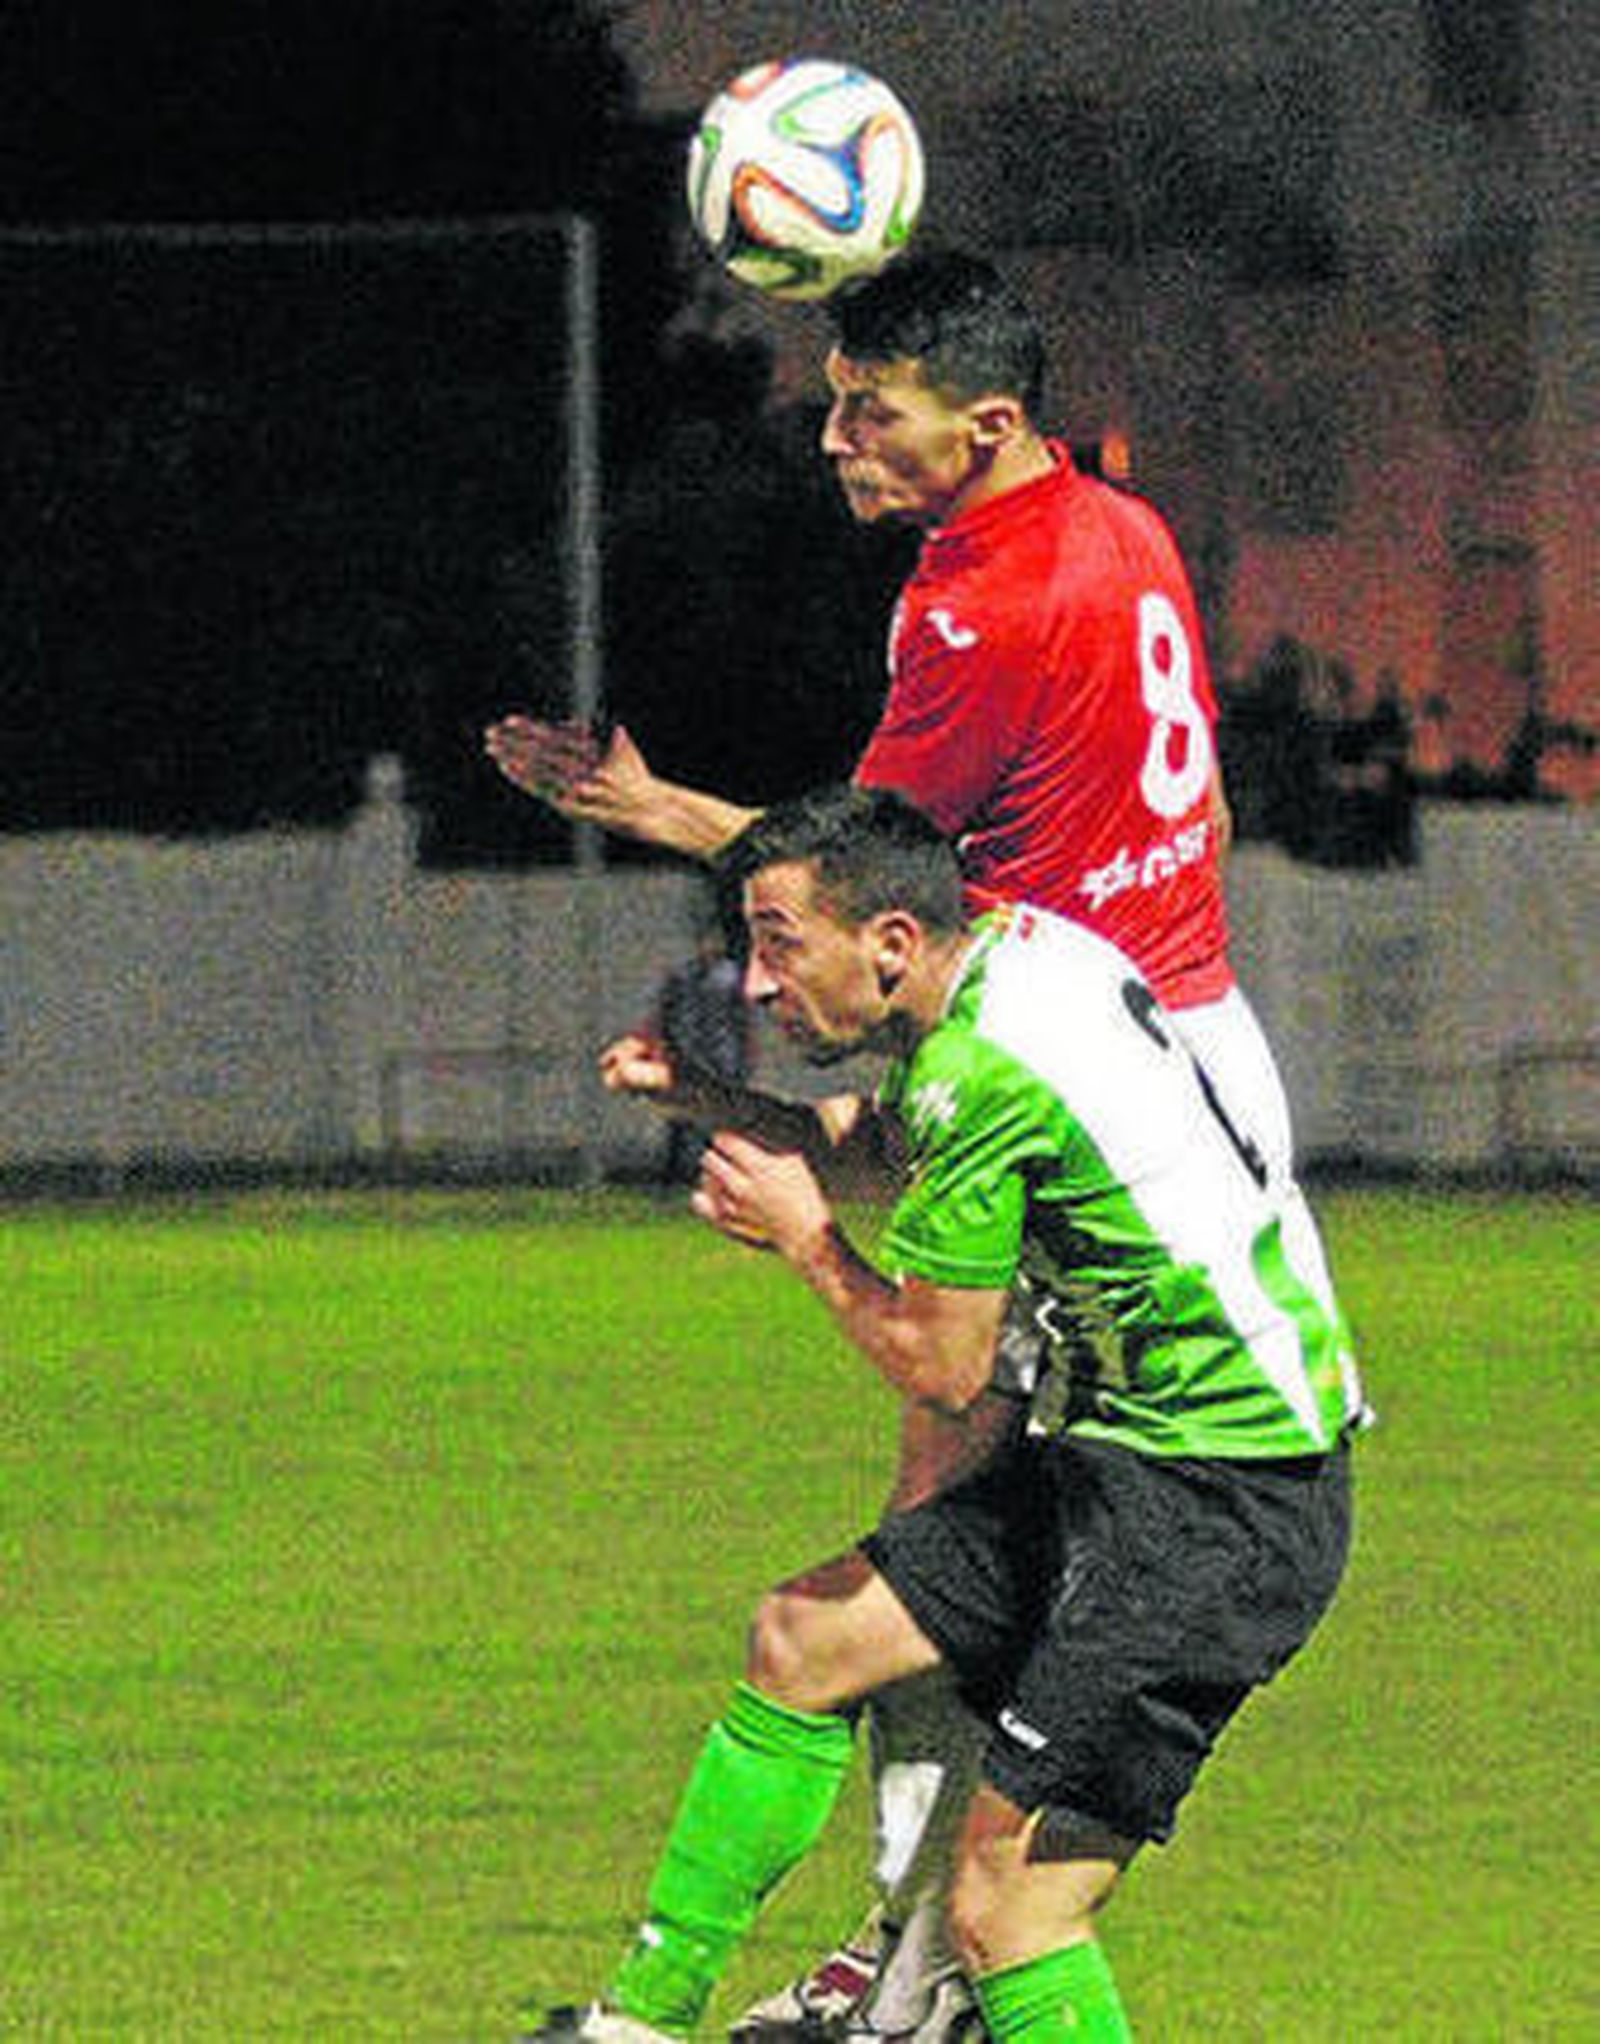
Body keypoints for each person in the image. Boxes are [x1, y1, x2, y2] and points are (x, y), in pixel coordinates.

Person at [487, 248, 1297, 2041]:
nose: (836, 434)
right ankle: (900, 1956)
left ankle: (910, 1964)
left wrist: (659, 813)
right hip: (1178, 1027)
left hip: (1063, 1053)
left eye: (873, 407)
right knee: (930, 1536)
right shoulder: (1121, 528)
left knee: (939, 1492)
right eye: (836, 394)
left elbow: (862, 887)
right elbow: (1201, 804)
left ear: (983, 423)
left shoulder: (982, 600)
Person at [526, 786, 1362, 2044]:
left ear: (891, 944)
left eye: (778, 943)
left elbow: (942, 1366)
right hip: (1132, 1456)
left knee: (1009, 1916)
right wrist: (715, 1100)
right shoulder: (1018, 955)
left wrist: (808, 1245)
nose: (757, 984)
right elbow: (903, 1145)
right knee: (803, 1640)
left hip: (1221, 1502)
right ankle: (640, 2022)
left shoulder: (987, 1068)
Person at [652, 919, 752, 1184]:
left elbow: (740, 1020)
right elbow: (667, 1012)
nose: (711, 947)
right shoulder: (684, 976)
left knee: (720, 1118)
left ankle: (717, 1174)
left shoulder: (729, 977)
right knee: (682, 1116)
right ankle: (675, 1175)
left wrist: (743, 1056)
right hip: (689, 1054)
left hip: (722, 1057)